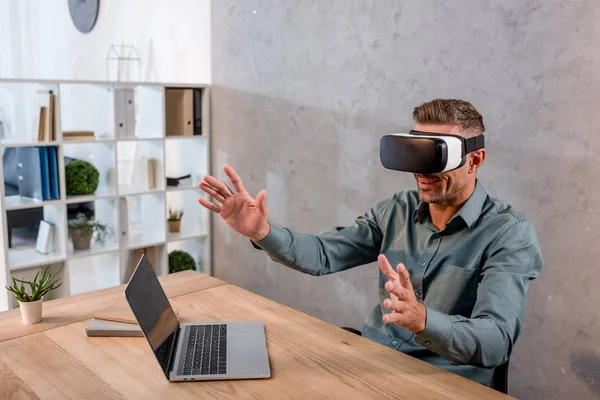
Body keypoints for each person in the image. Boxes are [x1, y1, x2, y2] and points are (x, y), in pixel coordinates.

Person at [197, 99, 543, 387]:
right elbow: (324, 255)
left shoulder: (507, 233)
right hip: (372, 362)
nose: (421, 172)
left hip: (439, 381)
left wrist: (423, 319)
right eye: (414, 153)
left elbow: (496, 341)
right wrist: (262, 231)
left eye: (434, 156)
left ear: (475, 160)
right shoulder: (396, 210)